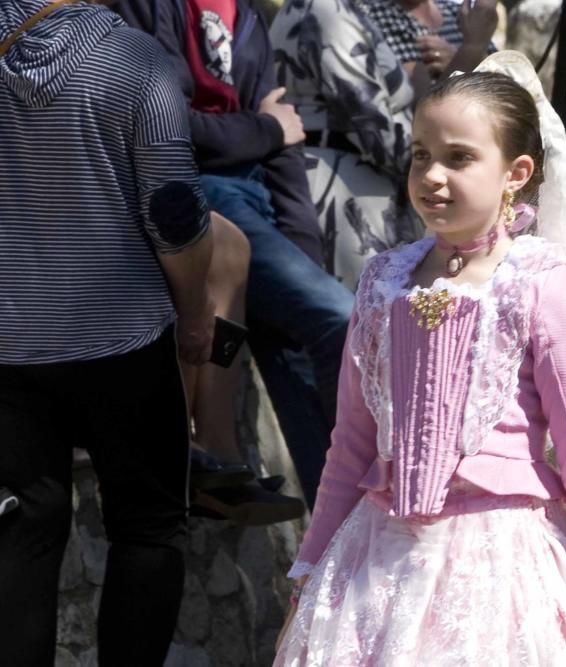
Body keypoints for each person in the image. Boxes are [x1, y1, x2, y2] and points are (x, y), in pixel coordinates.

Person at [273, 52, 566, 666]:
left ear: (516, 171)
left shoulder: (540, 281)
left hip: (501, 564)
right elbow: (350, 449)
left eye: (459, 158)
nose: (432, 176)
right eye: (421, 154)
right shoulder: (384, 281)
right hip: (377, 565)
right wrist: (308, 573)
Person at [0, 0, 213, 664]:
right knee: (149, 527)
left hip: (9, 347)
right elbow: (174, 215)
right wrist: (198, 312)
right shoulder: (137, 63)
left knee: (23, 532)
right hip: (124, 340)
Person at [113, 0, 356, 508]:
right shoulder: (148, 8)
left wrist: (302, 253)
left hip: (256, 195)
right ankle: (366, 513)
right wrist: (263, 130)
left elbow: (286, 141)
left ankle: (334, 544)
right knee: (341, 316)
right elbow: (168, 123)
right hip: (198, 187)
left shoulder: (247, 14)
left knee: (292, 344)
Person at [269, 0, 424, 291]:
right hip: (344, 196)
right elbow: (375, 130)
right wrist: (436, 164)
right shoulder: (326, 11)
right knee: (361, 320)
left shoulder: (338, 8)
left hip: (355, 184)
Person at [358, 0, 497, 95]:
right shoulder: (368, 16)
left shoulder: (459, 13)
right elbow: (414, 109)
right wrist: (471, 51)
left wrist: (461, 59)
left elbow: (504, 86)